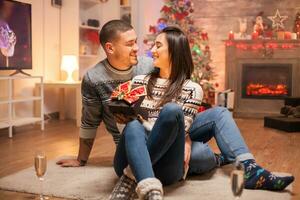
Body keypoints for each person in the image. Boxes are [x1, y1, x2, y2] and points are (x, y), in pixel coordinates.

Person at [109, 26, 294, 200]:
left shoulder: (191, 89)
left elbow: (179, 129)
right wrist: (123, 114)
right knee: (141, 128)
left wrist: (185, 138)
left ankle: (250, 169)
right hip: (133, 155)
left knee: (206, 116)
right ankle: (136, 173)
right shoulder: (139, 81)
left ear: (174, 50)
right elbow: (127, 128)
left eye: (158, 45)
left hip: (166, 163)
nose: (152, 51)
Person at [56, 20, 219, 172]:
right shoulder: (94, 78)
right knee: (196, 155)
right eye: (129, 44)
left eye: (135, 41)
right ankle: (148, 167)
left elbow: (176, 97)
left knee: (202, 148)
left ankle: (149, 168)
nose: (137, 48)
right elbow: (89, 121)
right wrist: (81, 159)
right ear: (110, 48)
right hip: (131, 142)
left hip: (163, 133)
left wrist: (185, 139)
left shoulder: (150, 65)